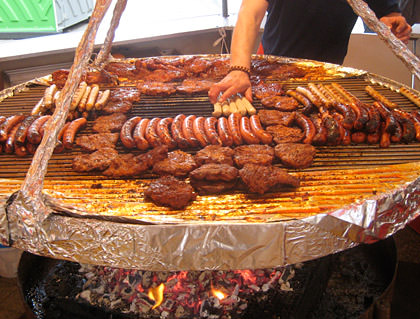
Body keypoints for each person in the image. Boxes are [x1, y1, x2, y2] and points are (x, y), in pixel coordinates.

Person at [208, 0, 412, 104]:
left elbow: (389, 13)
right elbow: (250, 13)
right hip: (271, 72)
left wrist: (394, 24)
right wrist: (239, 69)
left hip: (325, 76)